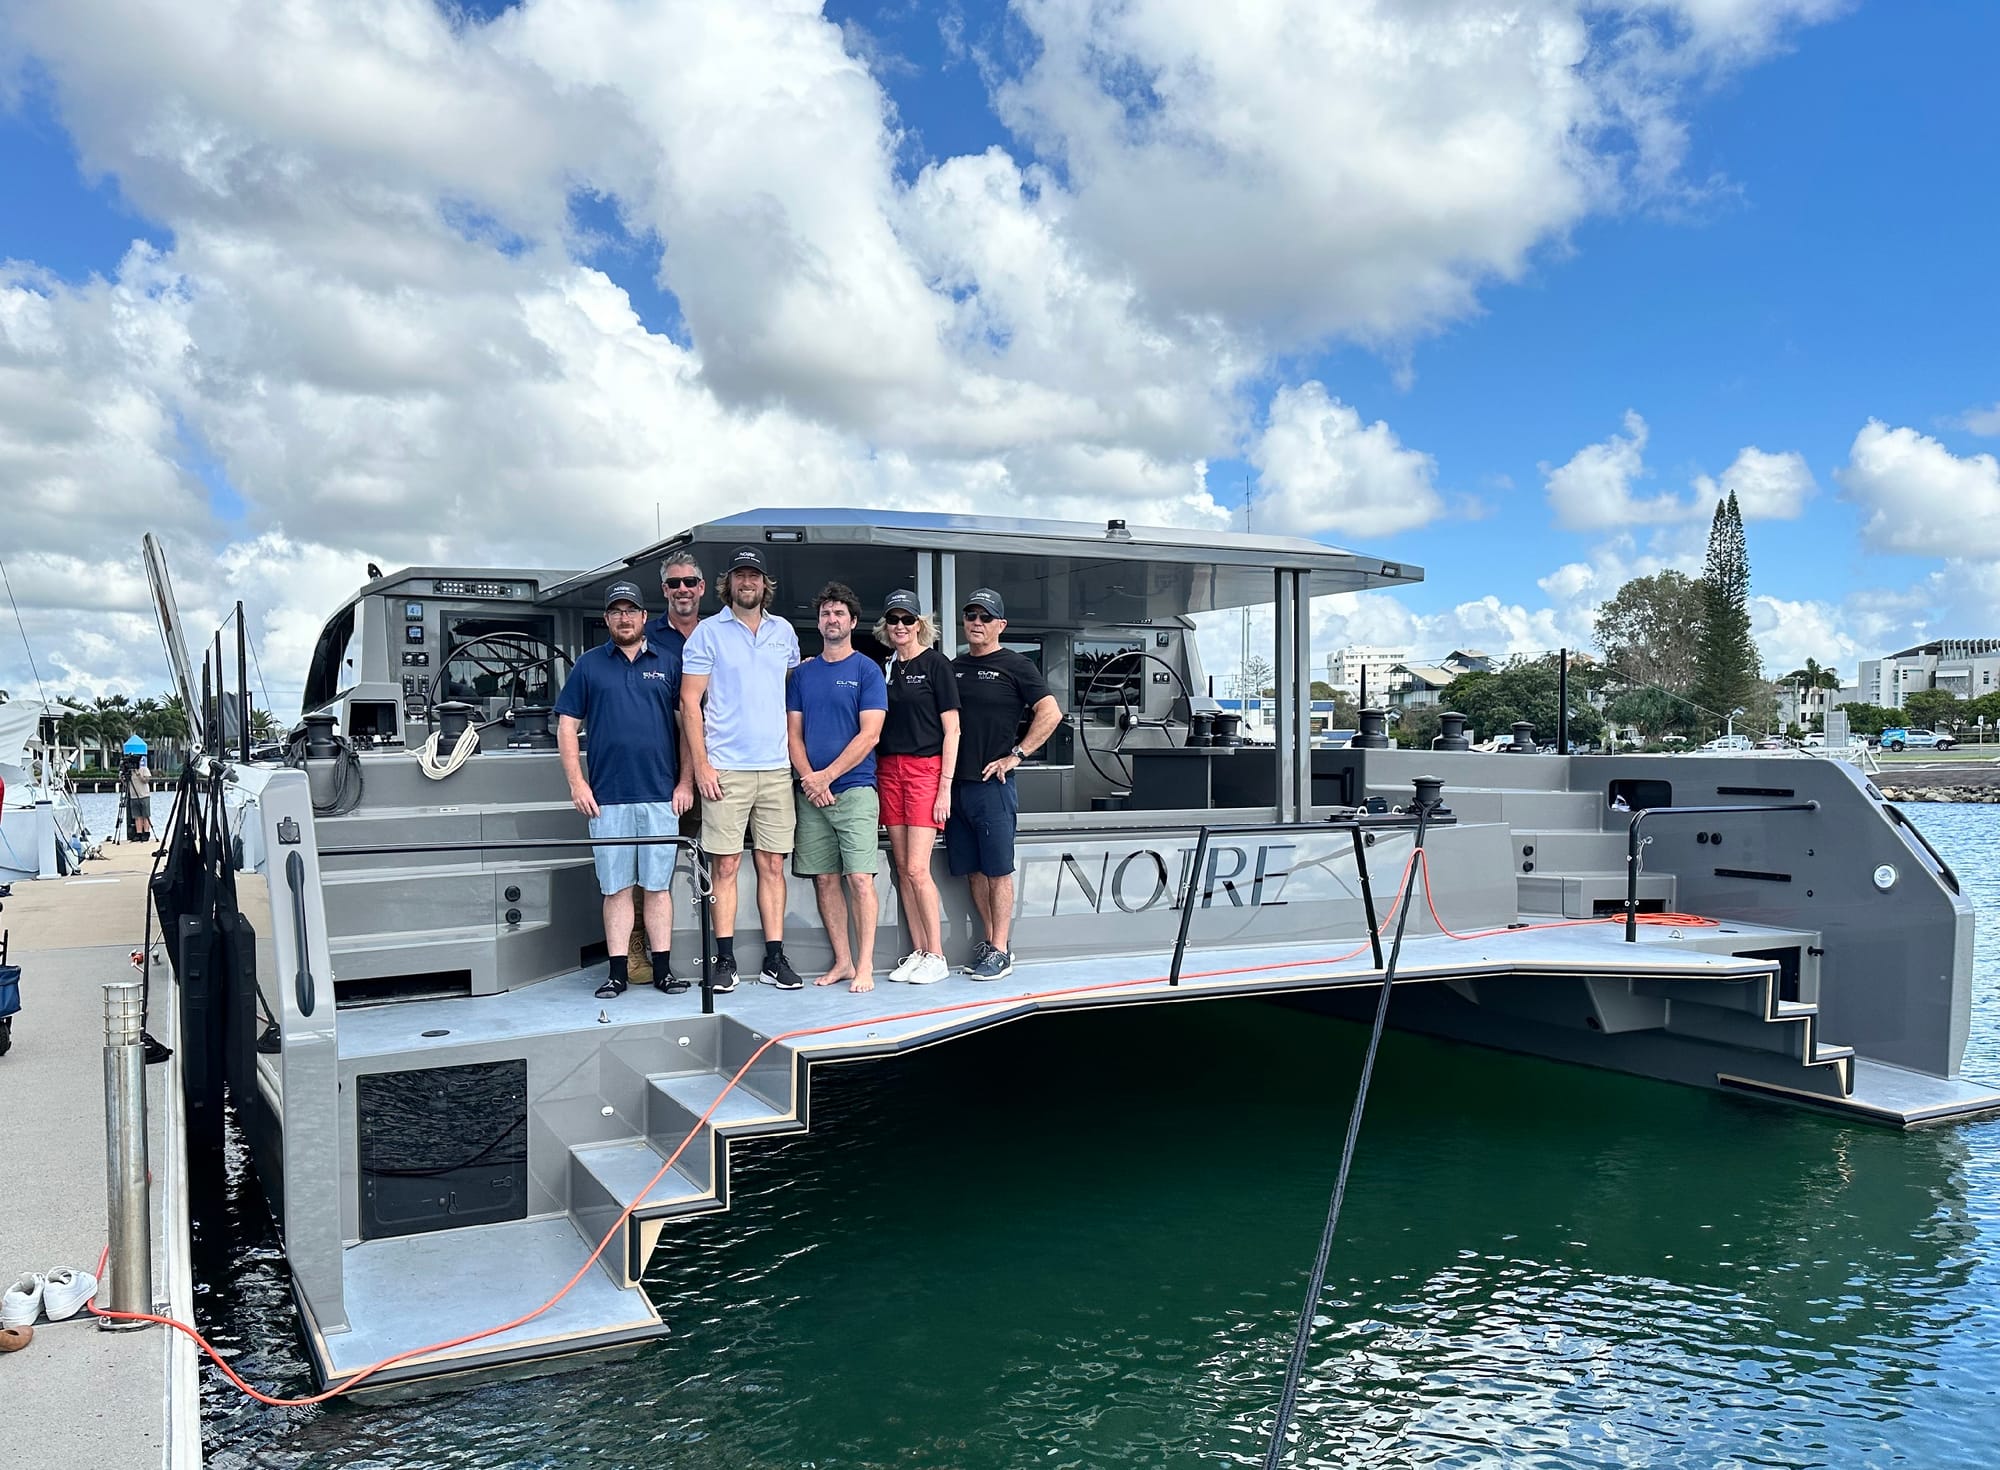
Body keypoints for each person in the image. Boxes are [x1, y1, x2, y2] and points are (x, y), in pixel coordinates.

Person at [555, 580, 694, 1000]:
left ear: (644, 616)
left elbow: (686, 728)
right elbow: (566, 726)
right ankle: (616, 974)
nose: (624, 617)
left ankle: (663, 971)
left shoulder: (669, 663)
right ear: (607, 619)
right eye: (616, 611)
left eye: (631, 610)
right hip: (607, 800)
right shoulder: (589, 665)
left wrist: (686, 782)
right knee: (615, 889)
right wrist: (577, 783)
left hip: (659, 795)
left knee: (657, 888)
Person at [681, 546, 803, 992]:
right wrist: (702, 767)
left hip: (774, 769)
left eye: (754, 576)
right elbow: (689, 704)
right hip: (726, 771)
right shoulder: (707, 634)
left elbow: (792, 693)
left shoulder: (785, 632)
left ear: (764, 583)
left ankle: (774, 959)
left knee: (773, 866)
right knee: (726, 866)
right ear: (727, 583)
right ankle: (725, 960)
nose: (746, 583)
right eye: (739, 576)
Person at [948, 588, 1062, 980]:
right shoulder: (953, 666)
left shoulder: (1017, 665)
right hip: (955, 788)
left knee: (997, 871)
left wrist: (1018, 754)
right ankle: (993, 942)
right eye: (971, 615)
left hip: (992, 786)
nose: (976, 623)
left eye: (985, 617)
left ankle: (1000, 950)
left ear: (1001, 625)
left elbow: (1051, 712)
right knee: (973, 871)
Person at [786, 583, 888, 992]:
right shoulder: (802, 674)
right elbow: (793, 735)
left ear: (853, 621)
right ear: (819, 621)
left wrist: (824, 777)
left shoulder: (867, 670)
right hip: (812, 795)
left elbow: (871, 735)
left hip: (856, 790)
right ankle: (843, 962)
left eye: (839, 613)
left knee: (860, 879)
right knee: (825, 879)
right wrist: (810, 780)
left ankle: (864, 966)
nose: (832, 619)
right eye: (826, 613)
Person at [875, 589, 959, 985]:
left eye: (908, 620)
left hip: (925, 770)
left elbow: (953, 730)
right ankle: (919, 950)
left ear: (919, 624)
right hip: (889, 769)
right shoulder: (886, 666)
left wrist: (945, 788)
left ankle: (937, 955)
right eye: (894, 620)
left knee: (916, 868)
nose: (900, 627)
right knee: (902, 870)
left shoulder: (936, 664)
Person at [125, 758, 153, 839]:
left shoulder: (144, 769)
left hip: (144, 795)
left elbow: (146, 780)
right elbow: (126, 784)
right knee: (137, 816)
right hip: (133, 796)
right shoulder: (129, 772)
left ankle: (146, 832)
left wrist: (138, 774)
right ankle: (139, 833)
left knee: (145, 815)